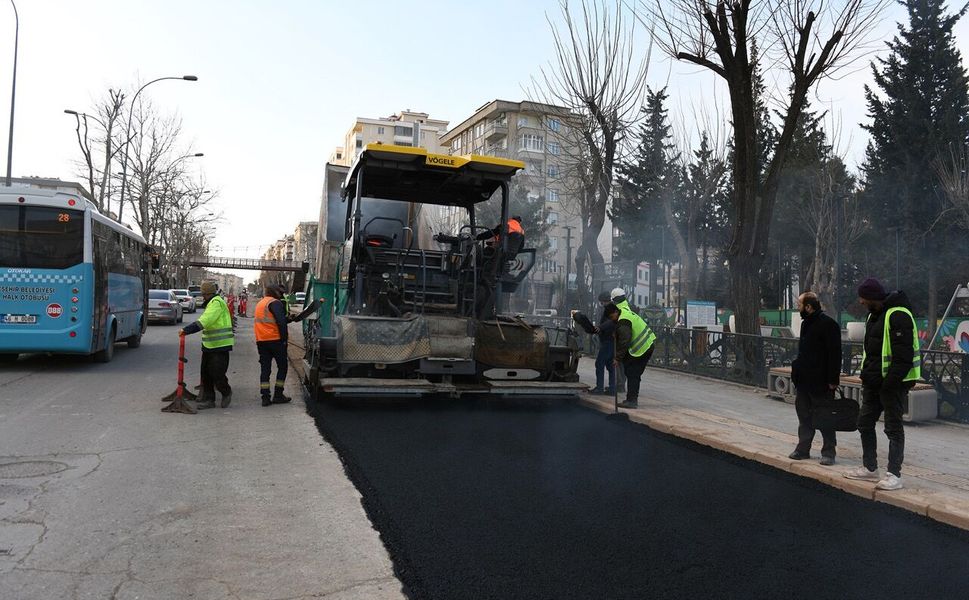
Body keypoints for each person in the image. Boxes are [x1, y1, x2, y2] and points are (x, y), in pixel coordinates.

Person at [843, 277, 920, 491]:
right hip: (873, 382)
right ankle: (870, 468)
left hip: (892, 384)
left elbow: (903, 356)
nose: (860, 302)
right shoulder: (873, 316)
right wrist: (866, 376)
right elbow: (871, 351)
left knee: (893, 428)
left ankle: (894, 475)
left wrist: (889, 384)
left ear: (872, 297)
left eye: (863, 298)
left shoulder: (898, 315)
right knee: (864, 423)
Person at [789, 292, 842, 465]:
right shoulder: (806, 323)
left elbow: (835, 354)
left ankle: (829, 452)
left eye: (799, 305)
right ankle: (803, 449)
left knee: (825, 417)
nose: (798, 308)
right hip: (804, 381)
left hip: (821, 382)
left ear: (808, 307)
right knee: (804, 416)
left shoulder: (829, 325)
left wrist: (833, 380)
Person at [180, 281, 233, 410]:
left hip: (220, 345)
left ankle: (226, 392)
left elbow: (205, 321)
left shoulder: (216, 303)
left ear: (208, 293)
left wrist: (187, 330)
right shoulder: (211, 303)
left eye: (204, 294)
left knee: (217, 373)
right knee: (206, 374)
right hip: (210, 344)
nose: (203, 297)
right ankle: (209, 400)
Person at [605, 289, 656, 409]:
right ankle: (631, 399)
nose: (612, 319)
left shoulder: (623, 319)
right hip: (648, 343)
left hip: (643, 347)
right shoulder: (624, 310)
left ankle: (632, 401)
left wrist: (617, 358)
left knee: (633, 373)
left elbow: (624, 341)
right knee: (631, 371)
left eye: (612, 317)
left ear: (615, 311)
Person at [254, 284, 292, 407]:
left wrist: (288, 319)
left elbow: (270, 320)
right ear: (275, 292)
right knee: (282, 367)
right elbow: (280, 322)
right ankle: (278, 395)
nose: (281, 294)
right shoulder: (275, 303)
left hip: (261, 340)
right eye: (280, 292)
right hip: (275, 340)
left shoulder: (261, 303)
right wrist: (284, 340)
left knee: (265, 369)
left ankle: (265, 397)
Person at [591, 291, 616, 395]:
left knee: (599, 363)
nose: (601, 304)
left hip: (608, 341)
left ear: (604, 301)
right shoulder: (610, 308)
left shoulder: (611, 308)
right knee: (610, 365)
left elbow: (611, 322)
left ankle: (599, 388)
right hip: (609, 340)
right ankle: (612, 388)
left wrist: (600, 328)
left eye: (601, 302)